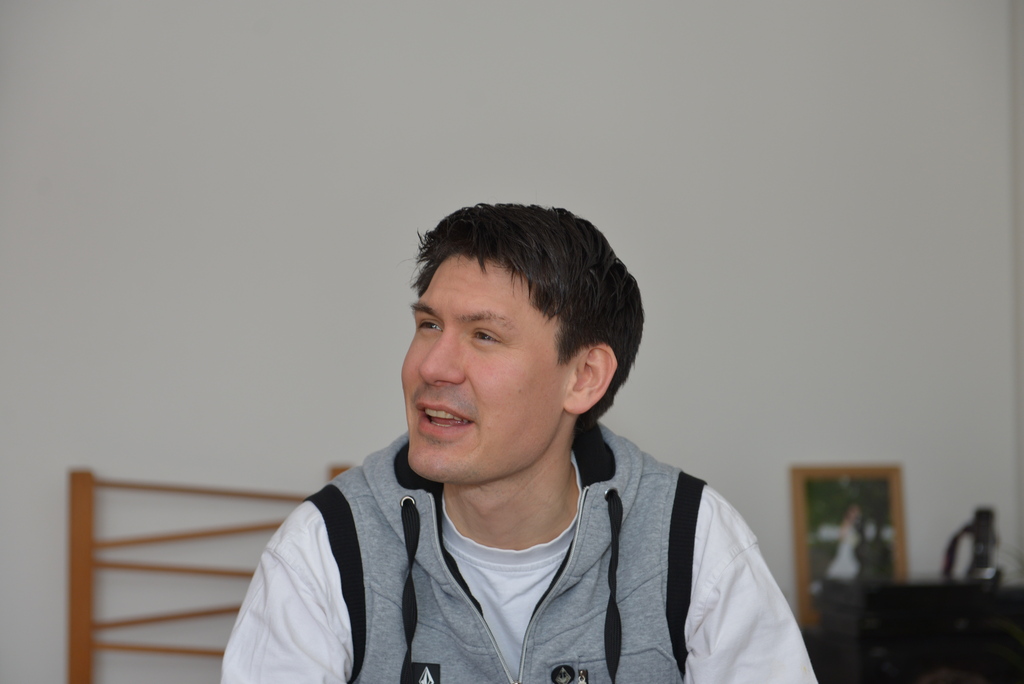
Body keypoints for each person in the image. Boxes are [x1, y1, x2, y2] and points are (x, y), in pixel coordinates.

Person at [221, 204, 817, 683]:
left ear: (583, 378)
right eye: (429, 325)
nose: (432, 366)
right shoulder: (326, 546)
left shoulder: (695, 541)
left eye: (483, 335)